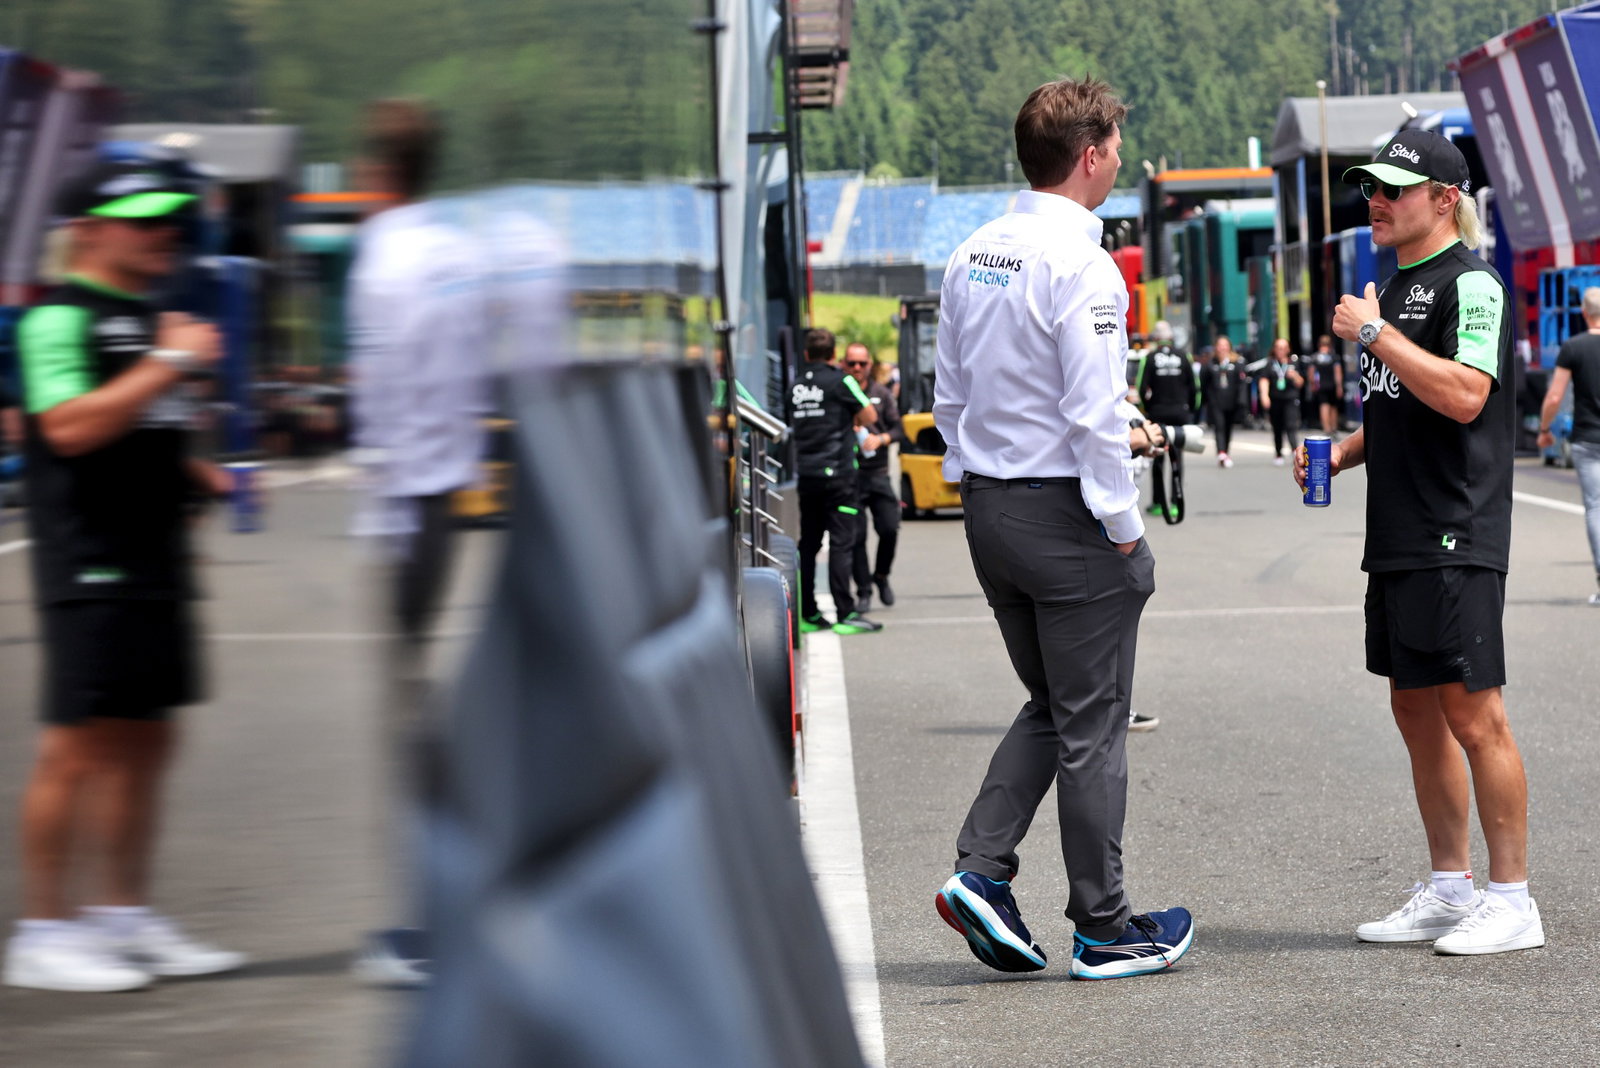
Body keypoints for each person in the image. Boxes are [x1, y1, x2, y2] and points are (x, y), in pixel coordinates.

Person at [932, 77, 1193, 981]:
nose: (1121, 157)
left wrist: (973, 482)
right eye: (1117, 144)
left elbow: (949, 397)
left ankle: (982, 871)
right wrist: (1125, 529)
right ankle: (1106, 926)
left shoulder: (973, 253)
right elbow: (1092, 418)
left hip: (990, 508)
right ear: (1090, 156)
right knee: (1094, 724)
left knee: (1055, 707)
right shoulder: (1082, 264)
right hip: (1065, 512)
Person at [1297, 127, 1542, 955]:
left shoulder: (1472, 285)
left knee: (1476, 716)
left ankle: (1513, 901)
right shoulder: (1393, 288)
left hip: (1457, 527)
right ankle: (1448, 888)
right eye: (1370, 187)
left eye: (1393, 189)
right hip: (1398, 530)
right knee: (1414, 709)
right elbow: (1401, 404)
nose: (1375, 200)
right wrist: (1342, 449)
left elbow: (1468, 394)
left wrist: (1371, 334)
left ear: (1444, 199)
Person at [4, 160, 245, 992]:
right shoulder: (55, 319)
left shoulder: (148, 319)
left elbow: (139, 432)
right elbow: (67, 428)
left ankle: (122, 915)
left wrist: (194, 475)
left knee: (149, 741)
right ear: (89, 231)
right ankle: (42, 931)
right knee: (76, 748)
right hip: (90, 560)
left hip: (155, 560)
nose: (164, 233)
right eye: (144, 220)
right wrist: (170, 363)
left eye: (171, 219)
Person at [347, 98, 492, 986]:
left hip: (406, 503)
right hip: (446, 496)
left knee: (412, 719)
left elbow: (379, 394)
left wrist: (385, 511)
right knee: (424, 707)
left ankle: (434, 921)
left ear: (374, 170)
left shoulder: (382, 260)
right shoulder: (450, 250)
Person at [793, 327, 881, 635]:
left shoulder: (795, 386)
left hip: (807, 475)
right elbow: (870, 415)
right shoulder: (841, 380)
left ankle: (807, 614)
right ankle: (845, 614)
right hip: (839, 476)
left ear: (806, 355)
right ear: (834, 357)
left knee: (809, 544)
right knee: (842, 543)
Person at [1537, 286, 1600, 605]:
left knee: (1596, 507)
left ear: (1584, 313)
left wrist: (1545, 429)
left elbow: (1556, 396)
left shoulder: (1573, 347)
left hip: (1588, 439)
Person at [844, 345, 901, 612]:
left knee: (889, 528)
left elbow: (898, 428)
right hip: (851, 476)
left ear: (870, 365)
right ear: (844, 364)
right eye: (852, 363)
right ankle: (863, 589)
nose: (857, 368)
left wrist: (880, 438)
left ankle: (881, 575)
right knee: (856, 536)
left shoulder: (882, 393)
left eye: (862, 363)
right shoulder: (840, 392)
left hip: (878, 474)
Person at [1136, 319, 1198, 515]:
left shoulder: (1150, 357)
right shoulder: (1184, 356)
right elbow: (1195, 388)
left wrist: (1147, 409)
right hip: (1180, 412)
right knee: (1177, 458)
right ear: (1171, 338)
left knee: (1157, 456)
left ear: (1156, 339)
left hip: (1158, 412)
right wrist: (1191, 409)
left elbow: (1140, 387)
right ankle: (1174, 503)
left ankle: (1157, 503)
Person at [1260, 338, 1304, 464]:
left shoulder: (1293, 362)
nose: (1281, 350)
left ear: (1288, 349)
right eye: (1278, 347)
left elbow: (1301, 382)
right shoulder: (1270, 363)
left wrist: (1294, 376)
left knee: (1291, 425)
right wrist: (1264, 395)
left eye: (1284, 347)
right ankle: (1278, 453)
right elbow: (1264, 380)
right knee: (1277, 427)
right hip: (1275, 399)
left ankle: (1295, 450)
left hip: (1290, 399)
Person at [1204, 334, 1246, 467]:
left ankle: (1226, 451)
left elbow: (1242, 383)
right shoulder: (1211, 363)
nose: (1222, 348)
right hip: (1216, 401)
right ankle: (1221, 452)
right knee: (1219, 426)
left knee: (1228, 427)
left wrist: (1242, 401)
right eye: (1220, 346)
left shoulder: (1237, 363)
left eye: (1225, 346)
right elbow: (1204, 382)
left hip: (1231, 401)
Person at [1311, 334, 1345, 436]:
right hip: (1332, 385)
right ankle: (1334, 428)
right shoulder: (1333, 357)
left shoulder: (1315, 357)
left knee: (1323, 406)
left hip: (1320, 385)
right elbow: (1337, 372)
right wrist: (1339, 386)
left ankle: (1326, 428)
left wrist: (1313, 384)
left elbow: (1311, 372)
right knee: (1333, 407)